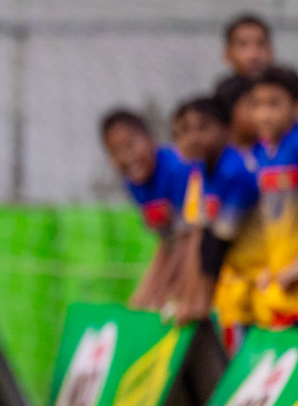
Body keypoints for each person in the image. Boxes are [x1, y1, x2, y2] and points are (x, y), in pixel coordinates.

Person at [170, 95, 261, 346]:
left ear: (226, 129)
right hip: (236, 288)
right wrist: (186, 299)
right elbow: (197, 238)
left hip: (260, 287)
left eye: (203, 127)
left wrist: (199, 304)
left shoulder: (236, 171)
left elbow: (217, 243)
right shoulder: (201, 171)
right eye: (184, 130)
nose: (192, 138)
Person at [247, 66, 298, 330]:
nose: (264, 113)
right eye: (256, 104)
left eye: (274, 104)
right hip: (279, 272)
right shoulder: (261, 152)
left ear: (297, 107)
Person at [100, 108, 194, 313]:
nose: (127, 156)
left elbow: (189, 240)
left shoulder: (179, 169)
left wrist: (165, 292)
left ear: (151, 139)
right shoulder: (134, 183)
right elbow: (167, 242)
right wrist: (142, 298)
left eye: (131, 145)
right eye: (115, 151)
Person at [222, 12, 274, 80]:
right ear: (228, 54)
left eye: (261, 44)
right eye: (243, 45)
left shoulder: (287, 87)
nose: (253, 55)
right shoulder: (225, 90)